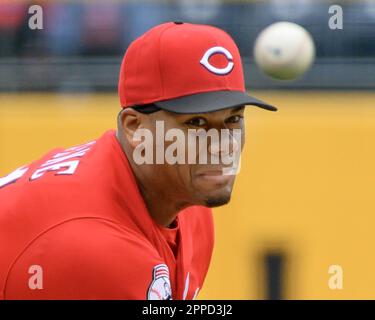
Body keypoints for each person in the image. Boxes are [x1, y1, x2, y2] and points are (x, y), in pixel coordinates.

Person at [0, 22, 276, 300]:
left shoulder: (189, 204)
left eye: (233, 119)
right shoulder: (96, 248)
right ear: (135, 128)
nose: (222, 146)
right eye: (196, 122)